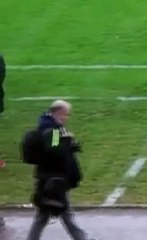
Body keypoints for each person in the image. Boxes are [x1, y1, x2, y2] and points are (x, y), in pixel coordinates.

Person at [25, 100, 90, 240]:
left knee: (52, 215)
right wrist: (68, 142)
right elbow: (54, 149)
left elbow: (55, 148)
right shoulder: (53, 130)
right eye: (66, 114)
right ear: (58, 113)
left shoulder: (48, 127)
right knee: (53, 214)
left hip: (51, 179)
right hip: (53, 180)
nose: (67, 117)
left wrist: (68, 144)